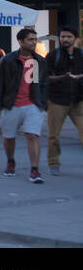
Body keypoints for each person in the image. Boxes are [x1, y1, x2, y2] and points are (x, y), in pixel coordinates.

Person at [0, 27, 48, 183]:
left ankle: (34, 170)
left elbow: (41, 83)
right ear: (20, 41)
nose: (33, 42)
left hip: (33, 104)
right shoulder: (8, 60)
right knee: (9, 137)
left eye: (34, 39)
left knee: (33, 135)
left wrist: (43, 103)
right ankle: (11, 161)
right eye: (30, 39)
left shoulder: (38, 61)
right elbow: (0, 84)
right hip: (11, 105)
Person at [45, 27, 83, 176]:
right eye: (62, 37)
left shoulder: (81, 55)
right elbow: (44, 77)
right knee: (54, 135)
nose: (65, 39)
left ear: (76, 39)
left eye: (68, 37)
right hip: (57, 100)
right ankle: (53, 163)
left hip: (78, 100)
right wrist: (64, 77)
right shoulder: (53, 55)